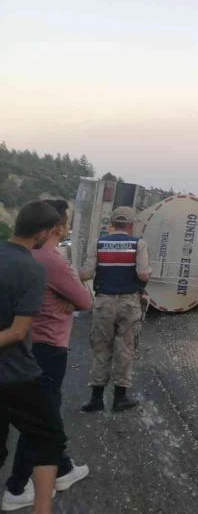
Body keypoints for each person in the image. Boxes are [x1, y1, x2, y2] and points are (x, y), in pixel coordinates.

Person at [3, 200, 92, 509]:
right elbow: (17, 331)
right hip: (30, 357)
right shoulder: (40, 264)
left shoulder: (12, 256)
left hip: (19, 358)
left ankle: (56, 473)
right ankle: (23, 494)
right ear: (46, 231)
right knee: (45, 429)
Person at [0, 201, 68, 514]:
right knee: (49, 436)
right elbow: (17, 332)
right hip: (14, 373)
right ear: (42, 233)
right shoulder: (31, 268)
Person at [79, 207, 151, 413]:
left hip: (104, 302)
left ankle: (96, 399)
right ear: (131, 225)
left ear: (112, 223)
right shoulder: (139, 244)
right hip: (129, 303)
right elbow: (143, 275)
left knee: (101, 348)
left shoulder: (99, 244)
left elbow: (85, 274)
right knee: (125, 348)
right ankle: (120, 399)